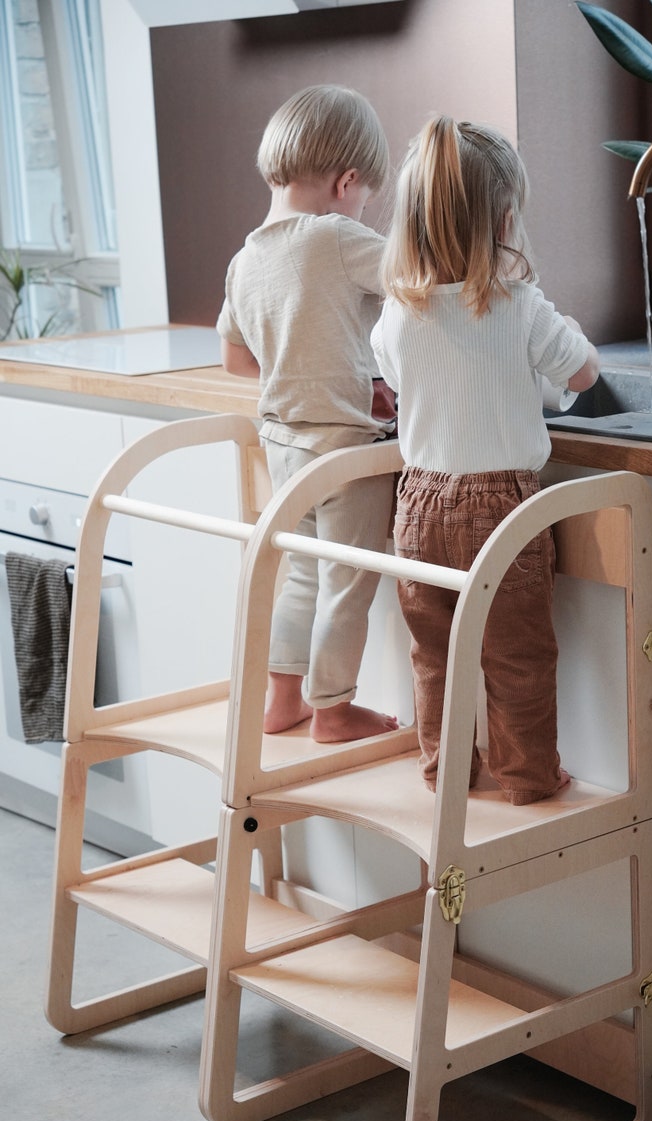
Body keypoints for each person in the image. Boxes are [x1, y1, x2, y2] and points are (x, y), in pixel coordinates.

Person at [371, 116, 600, 803]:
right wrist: (576, 342)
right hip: (502, 511)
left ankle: (447, 774)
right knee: (516, 654)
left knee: (435, 654)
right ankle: (527, 775)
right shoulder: (520, 305)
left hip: (418, 503)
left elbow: (405, 383)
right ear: (504, 220)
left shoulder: (397, 313)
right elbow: (583, 374)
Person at [217, 84, 398, 743]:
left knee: (298, 572)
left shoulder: (245, 259)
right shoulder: (337, 236)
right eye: (367, 199)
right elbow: (423, 281)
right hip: (346, 449)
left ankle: (283, 699)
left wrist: (322, 372)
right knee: (346, 583)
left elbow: (237, 360)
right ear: (347, 182)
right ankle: (334, 709)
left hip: (284, 443)